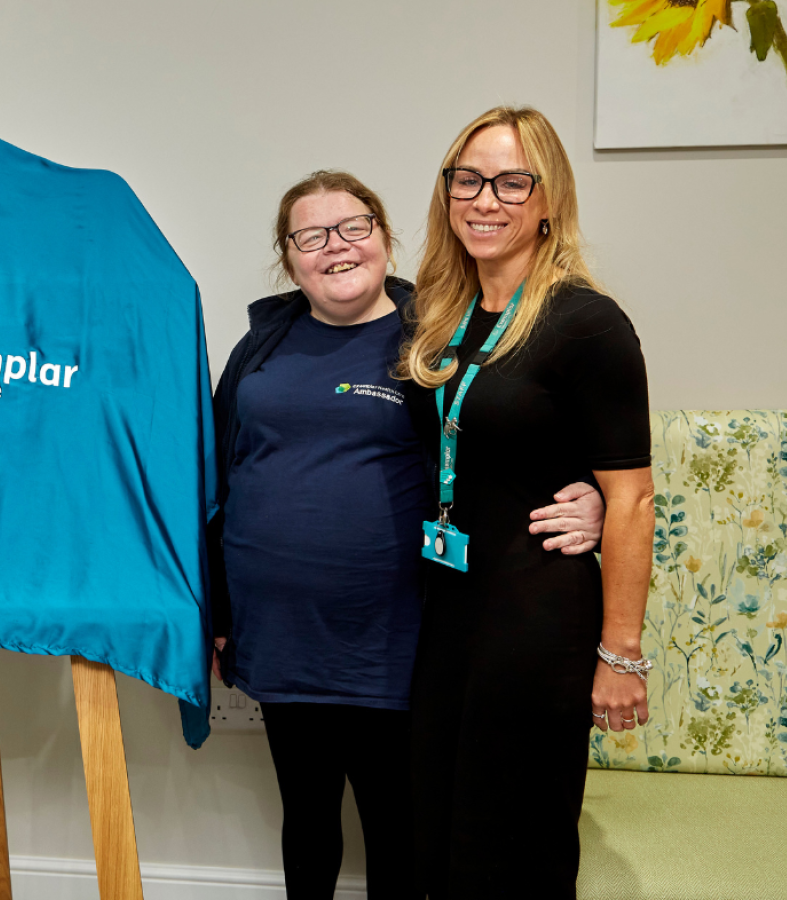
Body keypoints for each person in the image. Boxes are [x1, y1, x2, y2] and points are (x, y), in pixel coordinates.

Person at [208, 170, 606, 900]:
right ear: (288, 257)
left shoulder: (437, 337)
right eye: (312, 235)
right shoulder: (260, 347)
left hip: (399, 634)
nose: (337, 247)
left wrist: (593, 496)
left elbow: (510, 438)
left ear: (385, 238)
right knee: (306, 819)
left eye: (355, 227)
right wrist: (219, 614)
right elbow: (215, 480)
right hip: (281, 632)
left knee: (399, 825)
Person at [398, 107, 654, 898]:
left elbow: (634, 498)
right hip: (450, 605)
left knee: (515, 834)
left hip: (538, 613)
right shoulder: (438, 315)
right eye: (467, 180)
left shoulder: (587, 324)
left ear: (548, 201)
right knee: (439, 823)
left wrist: (620, 655)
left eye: (513, 182)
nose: (485, 199)